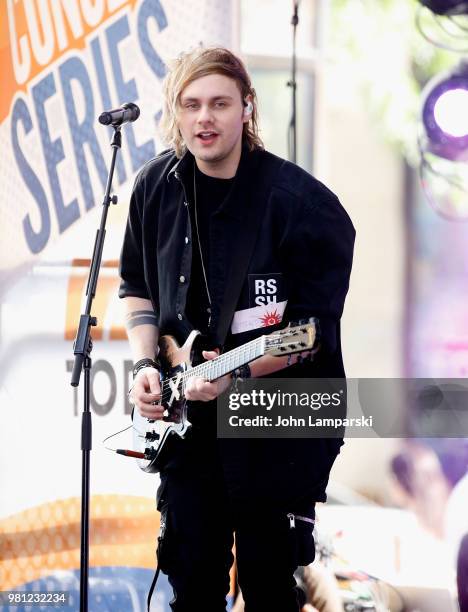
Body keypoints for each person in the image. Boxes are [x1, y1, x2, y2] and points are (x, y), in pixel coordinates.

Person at [119, 46, 355, 612]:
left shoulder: (303, 206)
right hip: (191, 425)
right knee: (192, 581)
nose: (205, 118)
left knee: (270, 585)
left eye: (220, 103)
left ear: (247, 108)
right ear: (176, 112)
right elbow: (137, 289)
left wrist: (234, 373)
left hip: (278, 422)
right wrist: (150, 368)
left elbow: (311, 333)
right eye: (192, 104)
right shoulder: (155, 187)